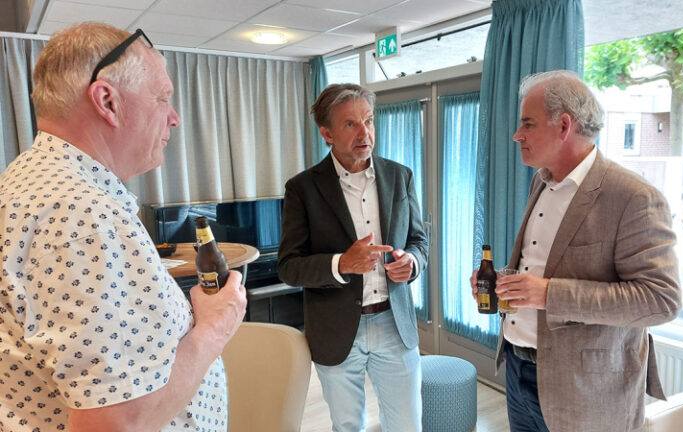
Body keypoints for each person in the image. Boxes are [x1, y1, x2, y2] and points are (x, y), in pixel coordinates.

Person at [0, 23, 247, 431]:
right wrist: (215, 327)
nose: (174, 118)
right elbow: (116, 423)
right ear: (107, 101)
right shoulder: (81, 215)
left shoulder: (28, 184)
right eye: (162, 98)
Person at [471, 70, 681, 432]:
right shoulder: (541, 181)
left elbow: (661, 300)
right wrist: (501, 280)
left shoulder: (633, 197)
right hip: (518, 371)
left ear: (564, 126)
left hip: (586, 390)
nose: (517, 135)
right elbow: (545, 265)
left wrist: (549, 294)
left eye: (527, 124)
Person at [278, 83, 429, 431]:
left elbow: (419, 241)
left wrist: (412, 263)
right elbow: (288, 267)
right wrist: (341, 264)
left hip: (394, 324)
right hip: (335, 329)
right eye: (351, 124)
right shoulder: (302, 188)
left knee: (407, 425)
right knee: (347, 426)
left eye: (369, 121)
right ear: (327, 134)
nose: (365, 133)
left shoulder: (400, 176)